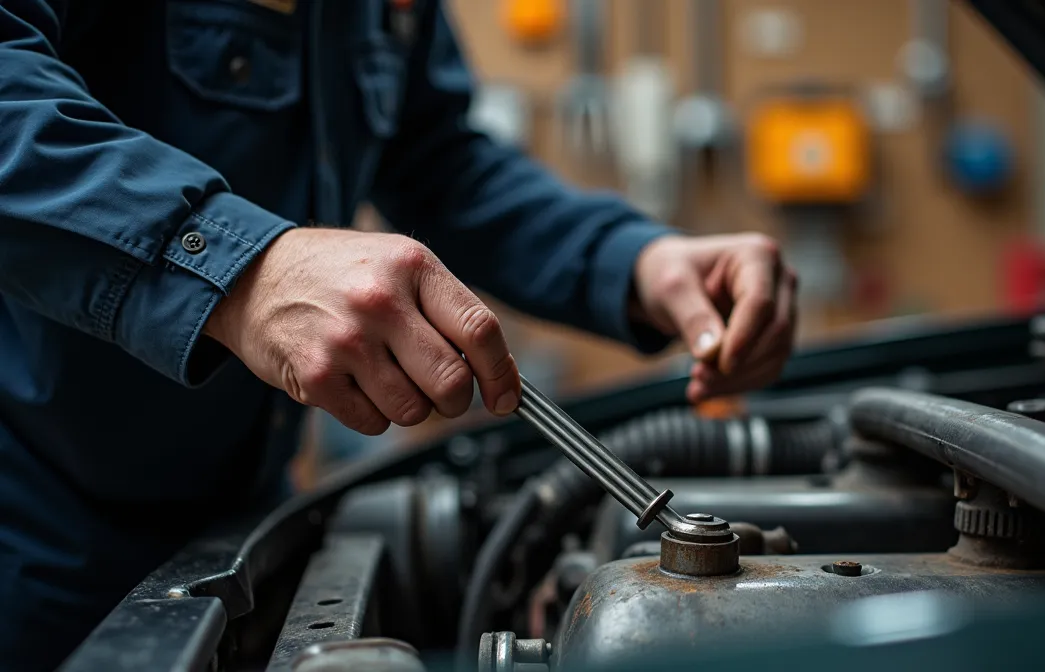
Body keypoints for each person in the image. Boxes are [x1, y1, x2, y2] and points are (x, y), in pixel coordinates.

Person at [0, 1, 797, 669]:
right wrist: (239, 269)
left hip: (241, 525)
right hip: (38, 537)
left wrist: (633, 260)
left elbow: (439, 163)